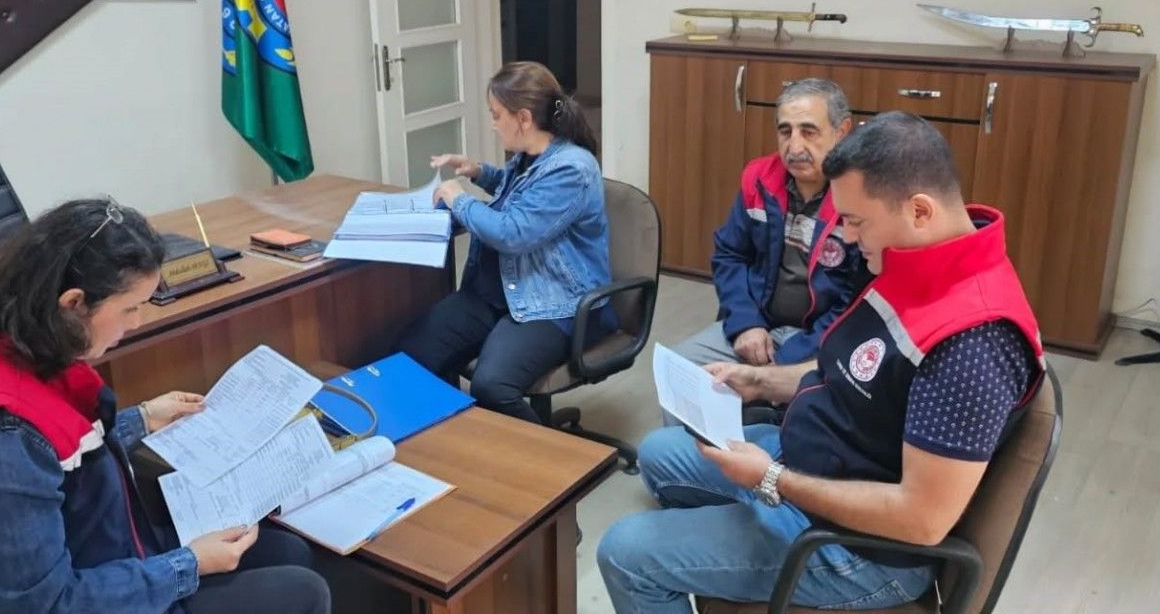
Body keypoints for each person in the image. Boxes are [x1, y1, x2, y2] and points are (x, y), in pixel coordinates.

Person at [597, 111, 1045, 612]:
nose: (847, 238)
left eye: (856, 221)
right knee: (659, 454)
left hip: (860, 549)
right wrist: (759, 381)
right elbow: (851, 374)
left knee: (624, 552)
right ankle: (716, 553)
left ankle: (697, 558)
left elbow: (922, 521)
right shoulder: (917, 261)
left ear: (920, 210)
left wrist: (771, 480)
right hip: (819, 458)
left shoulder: (974, 342)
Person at [0, 199, 330, 614]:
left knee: (286, 551)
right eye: (130, 308)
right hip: (75, 593)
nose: (137, 323)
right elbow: (45, 604)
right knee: (303, 593)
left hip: (93, 550)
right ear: (73, 304)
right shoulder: (2, 441)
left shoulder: (2, 344)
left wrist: (140, 419)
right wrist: (187, 565)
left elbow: (54, 457)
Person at [397, 61, 616, 424]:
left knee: (492, 386)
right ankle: (448, 439)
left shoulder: (571, 168)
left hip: (553, 302)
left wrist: (458, 198)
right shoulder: (531, 155)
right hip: (500, 291)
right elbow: (523, 194)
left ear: (524, 118)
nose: (493, 124)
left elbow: (513, 233)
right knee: (413, 356)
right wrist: (479, 172)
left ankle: (547, 456)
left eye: (497, 115)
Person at [672, 79, 863, 381]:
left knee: (792, 394)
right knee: (678, 372)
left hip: (821, 341)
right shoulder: (760, 179)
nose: (794, 147)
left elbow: (857, 300)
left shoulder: (862, 196)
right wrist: (746, 324)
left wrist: (789, 359)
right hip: (759, 327)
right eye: (785, 131)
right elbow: (730, 255)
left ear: (842, 131)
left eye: (809, 131)